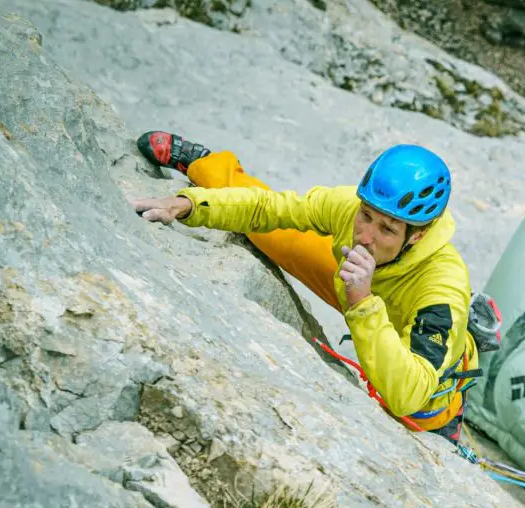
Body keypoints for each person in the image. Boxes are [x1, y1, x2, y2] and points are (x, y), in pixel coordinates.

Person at [131, 131, 482, 443]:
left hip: (416, 372)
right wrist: (190, 202)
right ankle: (209, 167)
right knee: (277, 237)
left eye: (387, 230)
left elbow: (410, 393)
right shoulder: (353, 211)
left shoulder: (442, 287)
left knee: (413, 409)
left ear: (417, 234)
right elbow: (272, 209)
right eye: (366, 216)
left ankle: (451, 408)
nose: (365, 235)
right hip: (360, 286)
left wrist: (363, 301)